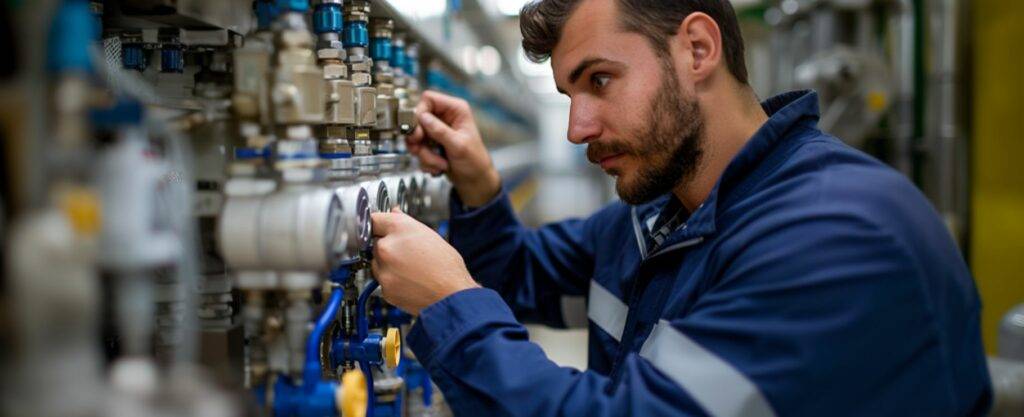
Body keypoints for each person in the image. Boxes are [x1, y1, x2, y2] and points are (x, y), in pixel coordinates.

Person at [368, 0, 992, 415]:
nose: (576, 128)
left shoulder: (838, 236)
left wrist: (449, 307)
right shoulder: (667, 213)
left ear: (697, 49)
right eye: (568, 94)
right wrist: (478, 184)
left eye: (600, 81)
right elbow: (520, 275)